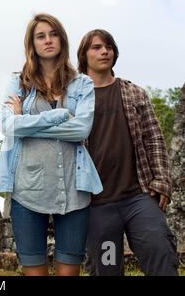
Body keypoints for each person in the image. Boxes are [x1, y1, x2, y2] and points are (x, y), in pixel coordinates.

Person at [0, 13, 102, 276]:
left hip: (74, 191)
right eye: (41, 36)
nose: (48, 40)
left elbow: (81, 130)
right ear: (32, 43)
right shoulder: (17, 82)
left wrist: (26, 122)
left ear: (62, 40)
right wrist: (60, 114)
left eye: (53, 34)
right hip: (27, 191)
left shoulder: (82, 83)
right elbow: (7, 126)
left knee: (68, 273)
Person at [77, 29, 179, 276]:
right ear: (83, 55)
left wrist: (162, 180)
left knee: (161, 254)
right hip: (98, 205)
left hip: (139, 198)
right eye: (97, 47)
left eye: (109, 47)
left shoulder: (134, 93)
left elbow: (154, 138)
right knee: (107, 268)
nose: (104, 51)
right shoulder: (74, 98)